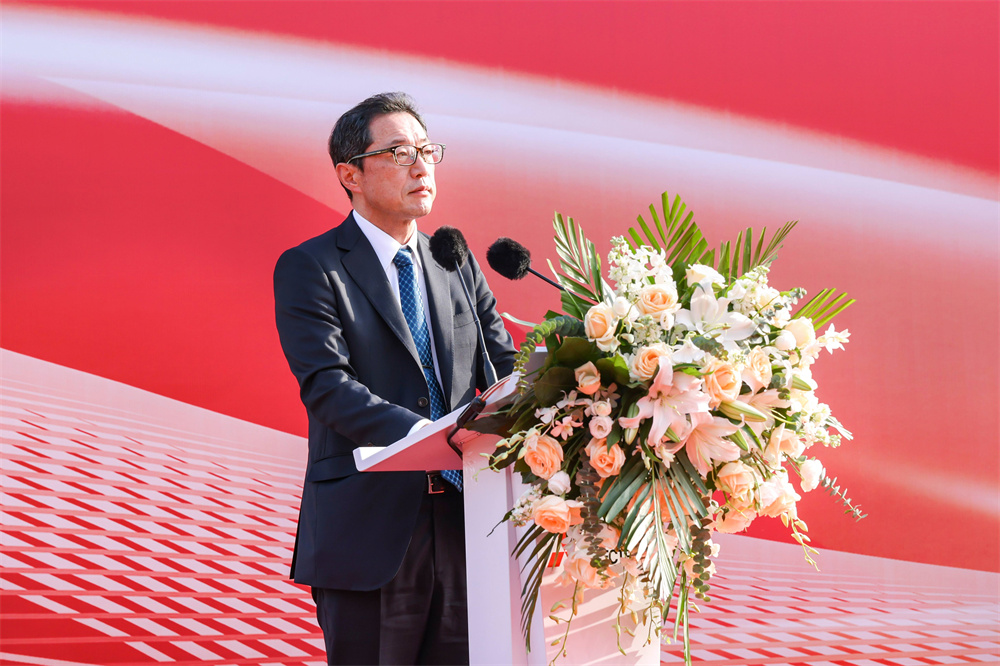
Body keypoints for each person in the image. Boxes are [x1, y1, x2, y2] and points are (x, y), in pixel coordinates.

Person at [273, 92, 516, 665]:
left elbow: (504, 367)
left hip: (465, 524)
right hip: (369, 531)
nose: (421, 166)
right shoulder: (312, 266)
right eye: (401, 152)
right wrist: (431, 437)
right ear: (350, 175)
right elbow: (327, 386)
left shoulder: (454, 261)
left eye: (428, 151)